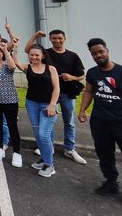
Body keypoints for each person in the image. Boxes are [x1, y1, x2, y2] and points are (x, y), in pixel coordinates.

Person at [78, 38, 122, 210]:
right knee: (104, 154)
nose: (98, 55)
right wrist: (82, 110)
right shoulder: (92, 73)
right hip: (100, 121)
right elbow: (89, 91)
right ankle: (111, 182)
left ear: (107, 50)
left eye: (100, 51)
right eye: (94, 53)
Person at [24, 30, 87, 165]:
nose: (57, 41)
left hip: (67, 93)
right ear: (50, 40)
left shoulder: (72, 55)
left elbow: (81, 75)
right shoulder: (46, 54)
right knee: (47, 123)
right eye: (54, 38)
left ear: (65, 38)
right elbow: (28, 50)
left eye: (59, 38)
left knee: (69, 121)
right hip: (47, 95)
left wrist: (72, 77)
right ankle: (49, 146)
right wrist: (35, 35)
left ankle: (70, 149)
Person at [13, 42, 60, 176]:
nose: (33, 57)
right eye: (31, 55)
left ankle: (49, 165)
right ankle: (44, 159)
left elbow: (56, 88)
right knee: (38, 132)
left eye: (36, 55)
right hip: (32, 103)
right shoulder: (28, 68)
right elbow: (16, 62)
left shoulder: (51, 69)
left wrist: (52, 105)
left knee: (43, 134)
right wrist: (15, 48)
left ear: (43, 56)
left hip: (48, 105)